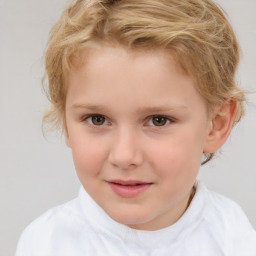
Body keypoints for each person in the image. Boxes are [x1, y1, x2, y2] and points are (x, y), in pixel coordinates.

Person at [16, 0, 256, 255]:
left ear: (215, 125)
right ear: (65, 121)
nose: (124, 156)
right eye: (97, 119)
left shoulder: (235, 241)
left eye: (158, 120)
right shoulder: (45, 243)